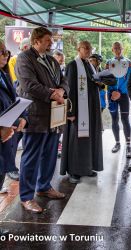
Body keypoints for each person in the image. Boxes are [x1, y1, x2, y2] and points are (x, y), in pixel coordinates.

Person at [15, 27, 69, 213]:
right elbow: (29, 85)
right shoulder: (24, 58)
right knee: (31, 156)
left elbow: (63, 80)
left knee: (50, 153)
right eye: (47, 40)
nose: (51, 43)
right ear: (36, 40)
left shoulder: (52, 60)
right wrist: (53, 94)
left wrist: (61, 90)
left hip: (54, 115)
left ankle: (44, 186)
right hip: (35, 114)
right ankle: (27, 196)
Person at [60, 41, 103, 184]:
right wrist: (70, 112)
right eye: (86, 48)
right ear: (79, 49)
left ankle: (86, 168)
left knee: (88, 139)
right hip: (78, 110)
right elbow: (69, 89)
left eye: (90, 48)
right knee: (76, 140)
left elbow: (93, 83)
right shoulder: (73, 65)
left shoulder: (90, 65)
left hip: (91, 109)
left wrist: (101, 83)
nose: (89, 50)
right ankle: (73, 170)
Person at [0, 41, 27, 191]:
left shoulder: (4, 75)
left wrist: (23, 117)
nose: (6, 56)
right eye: (2, 52)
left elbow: (13, 99)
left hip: (6, 138)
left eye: (7, 52)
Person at [106, 42, 131, 158]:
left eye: (119, 48)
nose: (118, 50)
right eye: (115, 48)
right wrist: (113, 92)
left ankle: (128, 145)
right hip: (112, 95)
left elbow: (129, 80)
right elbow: (107, 78)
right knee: (114, 119)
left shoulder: (128, 62)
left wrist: (119, 93)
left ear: (123, 49)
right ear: (112, 49)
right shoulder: (108, 63)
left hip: (124, 95)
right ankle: (117, 143)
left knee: (125, 119)